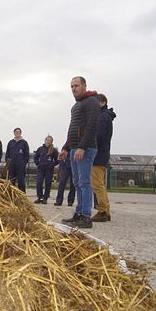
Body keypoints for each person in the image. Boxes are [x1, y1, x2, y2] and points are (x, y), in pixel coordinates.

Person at [59, 76, 100, 228]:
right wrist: (66, 148)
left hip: (86, 149)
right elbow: (73, 130)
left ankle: (86, 216)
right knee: (77, 183)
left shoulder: (92, 102)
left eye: (76, 85)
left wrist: (82, 147)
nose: (73, 89)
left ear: (84, 86)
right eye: (71, 86)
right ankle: (79, 213)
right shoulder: (76, 105)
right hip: (74, 149)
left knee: (84, 183)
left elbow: (92, 126)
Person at [91, 93, 117, 222]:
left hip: (98, 154)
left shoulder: (102, 117)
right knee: (99, 183)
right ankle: (105, 209)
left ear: (102, 102)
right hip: (103, 153)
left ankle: (103, 210)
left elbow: (99, 136)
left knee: (97, 184)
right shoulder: (105, 116)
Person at [33, 135, 59, 204]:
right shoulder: (40, 149)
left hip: (49, 170)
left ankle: (45, 198)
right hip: (40, 169)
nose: (48, 142)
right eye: (47, 140)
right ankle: (39, 197)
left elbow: (57, 160)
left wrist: (52, 165)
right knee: (39, 183)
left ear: (51, 142)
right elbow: (35, 157)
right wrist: (38, 164)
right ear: (45, 141)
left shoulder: (54, 150)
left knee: (48, 184)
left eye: (50, 141)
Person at [5, 127, 30, 192]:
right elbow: (7, 154)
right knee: (11, 181)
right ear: (14, 133)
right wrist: (8, 163)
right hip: (12, 165)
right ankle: (11, 195)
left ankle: (22, 196)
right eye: (16, 132)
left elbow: (27, 155)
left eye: (18, 132)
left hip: (20, 166)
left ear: (20, 133)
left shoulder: (24, 143)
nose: (17, 133)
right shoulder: (10, 142)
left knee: (21, 181)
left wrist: (23, 163)